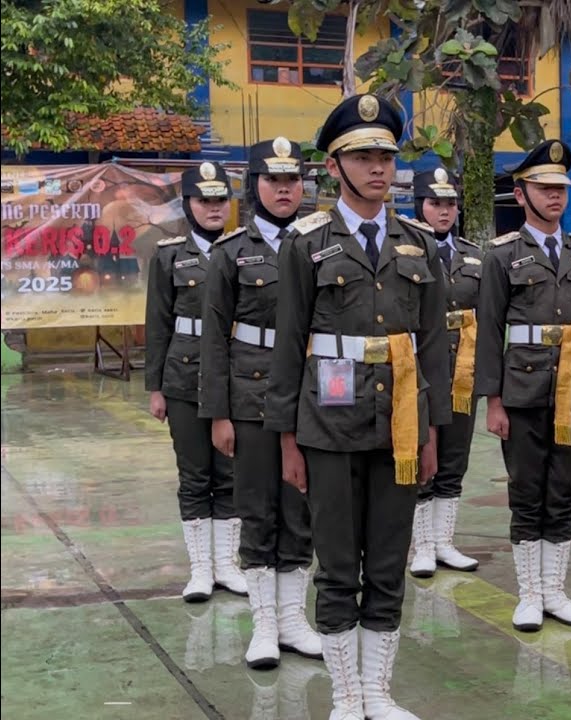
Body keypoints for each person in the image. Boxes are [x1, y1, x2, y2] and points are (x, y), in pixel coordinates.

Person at [264, 93, 450, 720]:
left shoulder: (418, 245)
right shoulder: (306, 243)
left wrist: (431, 432)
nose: (378, 168)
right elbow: (289, 345)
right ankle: (346, 697)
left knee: (390, 560)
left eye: (386, 156)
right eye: (363, 156)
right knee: (339, 564)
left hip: (400, 422)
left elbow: (431, 348)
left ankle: (378, 691)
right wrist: (288, 439)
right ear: (336, 166)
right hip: (327, 422)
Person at [199, 137, 324, 670]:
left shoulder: (322, 244)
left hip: (309, 396)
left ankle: (295, 620)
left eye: (292, 180)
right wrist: (218, 413)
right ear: (254, 187)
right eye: (273, 181)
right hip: (249, 396)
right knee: (257, 508)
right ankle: (265, 626)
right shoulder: (232, 253)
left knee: (301, 509)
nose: (284, 189)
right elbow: (212, 339)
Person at [474, 139, 571, 632]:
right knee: (527, 490)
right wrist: (494, 401)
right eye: (543, 188)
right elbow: (489, 328)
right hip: (521, 393)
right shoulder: (503, 256)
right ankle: (529, 594)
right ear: (521, 194)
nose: (554, 197)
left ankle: (555, 591)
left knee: (564, 489)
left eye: (560, 189)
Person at [146, 161, 246, 603]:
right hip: (184, 374)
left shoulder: (245, 250)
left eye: (220, 199)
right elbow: (157, 324)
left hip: (232, 375)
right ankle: (201, 569)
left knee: (230, 473)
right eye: (204, 200)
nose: (213, 207)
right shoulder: (170, 255)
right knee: (194, 475)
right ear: (188, 204)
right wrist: (155, 387)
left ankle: (227, 564)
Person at [407, 168, 481, 577]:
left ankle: (444, 542)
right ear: (420, 204)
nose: (444, 211)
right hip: (418, 368)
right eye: (435, 203)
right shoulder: (407, 251)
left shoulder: (472, 256)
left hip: (462, 368)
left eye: (450, 203)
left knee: (455, 455)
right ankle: (421, 546)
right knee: (424, 452)